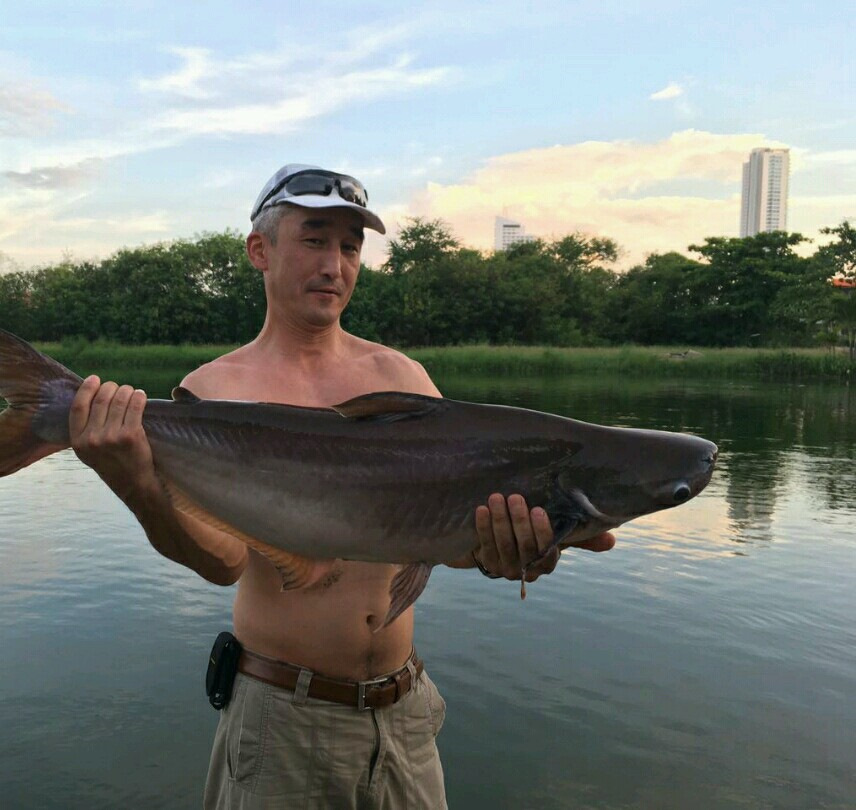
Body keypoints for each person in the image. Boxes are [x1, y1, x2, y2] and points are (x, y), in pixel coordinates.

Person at [66, 165, 616, 808]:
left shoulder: (403, 378)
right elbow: (223, 562)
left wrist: (515, 551)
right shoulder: (213, 393)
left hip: (405, 713)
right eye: (314, 238)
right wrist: (136, 485)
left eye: (350, 247)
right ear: (259, 249)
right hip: (281, 724)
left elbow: (443, 531)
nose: (334, 263)